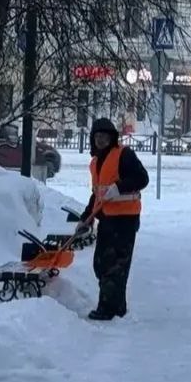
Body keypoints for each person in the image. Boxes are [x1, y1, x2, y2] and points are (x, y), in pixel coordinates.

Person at [77, 116, 149, 321]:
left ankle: (107, 308)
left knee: (115, 266)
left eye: (105, 136)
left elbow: (142, 178)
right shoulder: (96, 163)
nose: (101, 140)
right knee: (100, 264)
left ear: (112, 138)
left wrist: (119, 187)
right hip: (107, 219)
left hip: (125, 220)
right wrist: (86, 218)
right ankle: (117, 305)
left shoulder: (124, 155)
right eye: (97, 136)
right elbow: (98, 195)